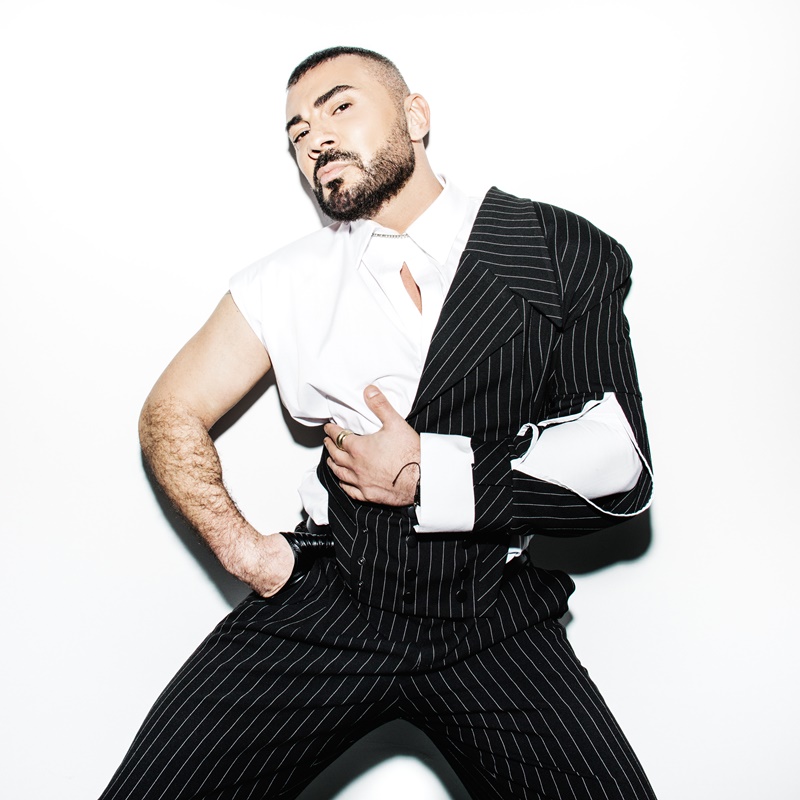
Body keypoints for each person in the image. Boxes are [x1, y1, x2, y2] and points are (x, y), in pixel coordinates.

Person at [100, 46, 657, 800]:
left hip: (493, 615)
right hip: (333, 598)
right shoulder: (285, 282)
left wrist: (429, 472)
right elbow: (170, 412)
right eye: (298, 133)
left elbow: (620, 464)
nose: (317, 139)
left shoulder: (556, 248)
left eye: (340, 106)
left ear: (416, 116)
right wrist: (246, 553)